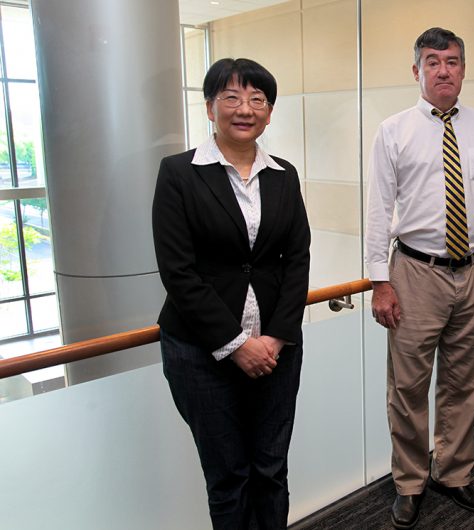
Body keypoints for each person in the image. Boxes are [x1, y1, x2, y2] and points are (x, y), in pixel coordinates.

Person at [152, 58, 310, 529]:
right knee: (228, 477)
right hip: (201, 353)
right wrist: (237, 344)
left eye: (257, 99)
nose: (246, 109)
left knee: (271, 469)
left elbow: (297, 259)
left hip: (277, 352)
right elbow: (177, 271)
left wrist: (276, 338)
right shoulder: (179, 173)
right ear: (209, 107)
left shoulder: (284, 174)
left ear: (270, 111)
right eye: (232, 98)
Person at [365, 27, 474, 529]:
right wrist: (379, 281)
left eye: (451, 61)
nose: (443, 69)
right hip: (415, 274)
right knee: (407, 386)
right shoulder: (394, 130)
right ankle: (408, 482)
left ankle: (454, 471)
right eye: (432, 61)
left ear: (463, 69)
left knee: (465, 382)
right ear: (417, 71)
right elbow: (380, 210)